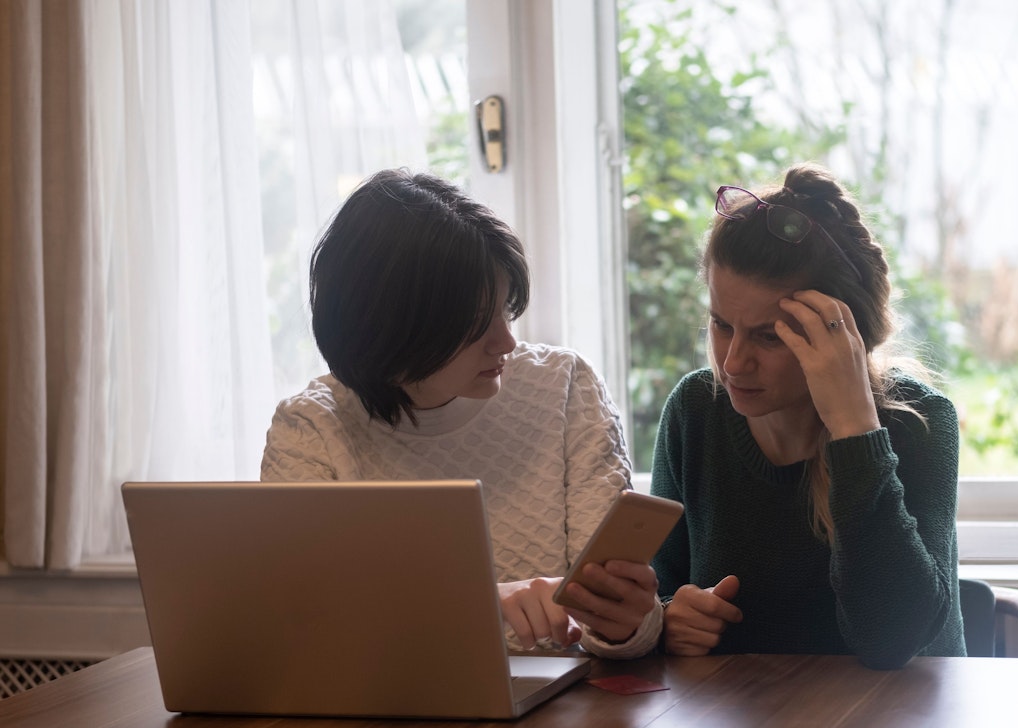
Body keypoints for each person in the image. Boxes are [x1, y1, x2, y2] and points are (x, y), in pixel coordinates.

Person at [261, 168, 662, 659]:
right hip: (392, 713)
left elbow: (624, 625)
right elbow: (311, 624)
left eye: (506, 311)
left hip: (562, 715)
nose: (508, 342)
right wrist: (485, 600)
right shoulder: (310, 430)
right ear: (393, 327)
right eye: (478, 323)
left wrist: (625, 624)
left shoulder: (563, 386)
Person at [652, 163, 965, 668]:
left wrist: (854, 430)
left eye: (769, 336)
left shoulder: (920, 423)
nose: (733, 363)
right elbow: (655, 592)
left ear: (843, 332)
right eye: (721, 324)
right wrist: (668, 619)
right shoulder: (696, 412)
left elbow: (891, 640)